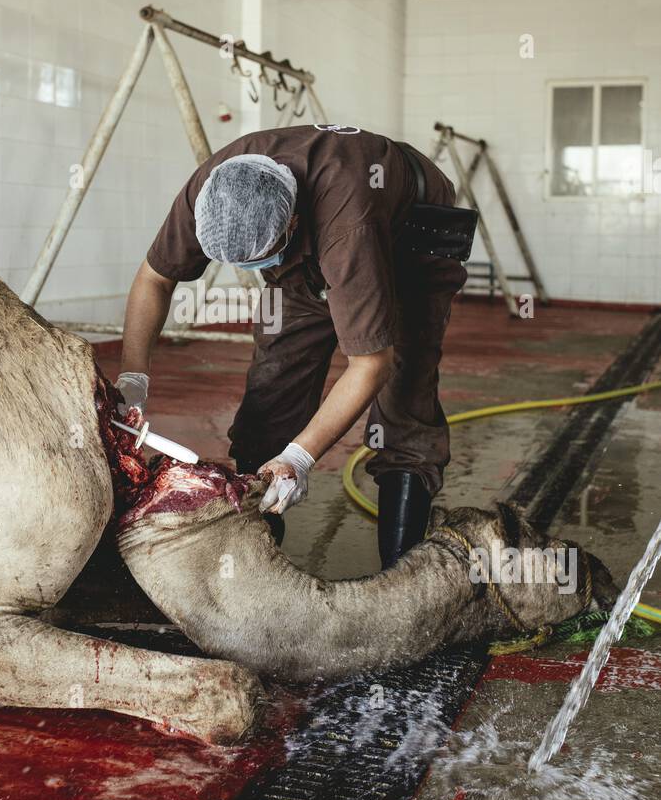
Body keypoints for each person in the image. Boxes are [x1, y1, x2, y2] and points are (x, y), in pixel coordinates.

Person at [118, 124, 474, 568]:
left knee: (404, 391)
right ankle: (254, 562)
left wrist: (300, 457)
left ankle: (402, 576)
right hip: (317, 240)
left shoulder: (348, 226)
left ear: (292, 224)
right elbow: (154, 278)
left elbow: (370, 365)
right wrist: (132, 382)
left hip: (410, 238)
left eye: (261, 257)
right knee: (271, 396)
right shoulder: (210, 192)